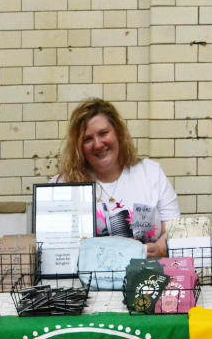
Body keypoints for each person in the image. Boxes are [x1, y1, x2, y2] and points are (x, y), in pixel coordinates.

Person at [52, 99, 180, 257]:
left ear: (118, 133)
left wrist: (160, 248)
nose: (98, 144)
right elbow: (53, 244)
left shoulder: (151, 173)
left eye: (103, 133)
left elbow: (175, 228)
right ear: (78, 147)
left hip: (146, 274)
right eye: (87, 139)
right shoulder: (63, 185)